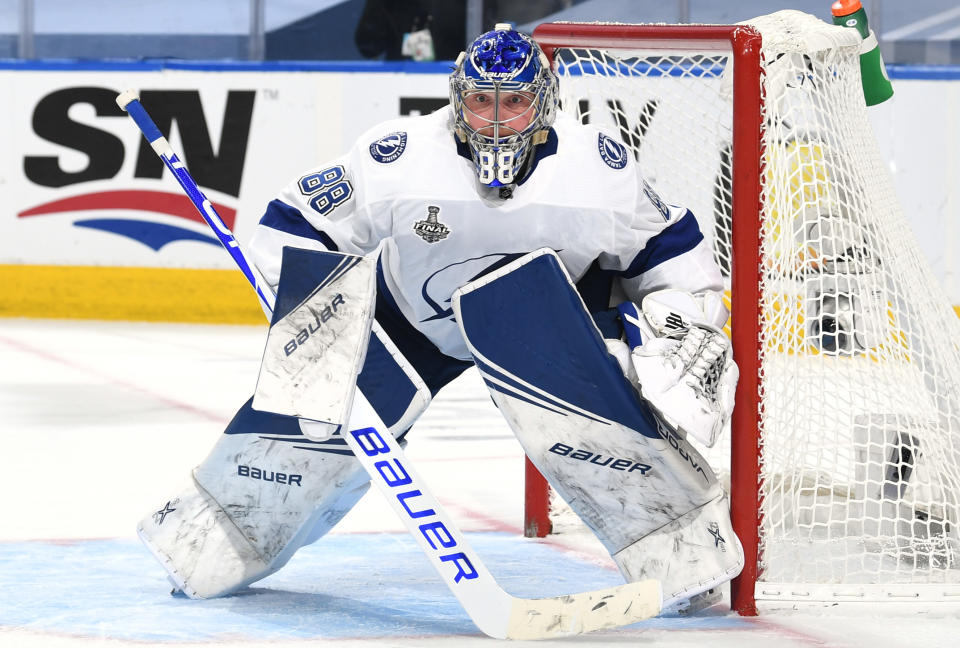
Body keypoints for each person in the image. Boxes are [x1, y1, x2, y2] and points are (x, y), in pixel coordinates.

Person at [138, 25, 743, 616]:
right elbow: (295, 221)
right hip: (410, 322)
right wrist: (314, 314)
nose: (498, 119)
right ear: (457, 100)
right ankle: (216, 540)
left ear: (546, 103)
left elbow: (670, 248)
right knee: (315, 421)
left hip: (546, 322)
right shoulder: (398, 156)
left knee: (599, 429)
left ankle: (684, 556)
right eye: (482, 101)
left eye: (515, 102)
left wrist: (684, 323)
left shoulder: (597, 170)